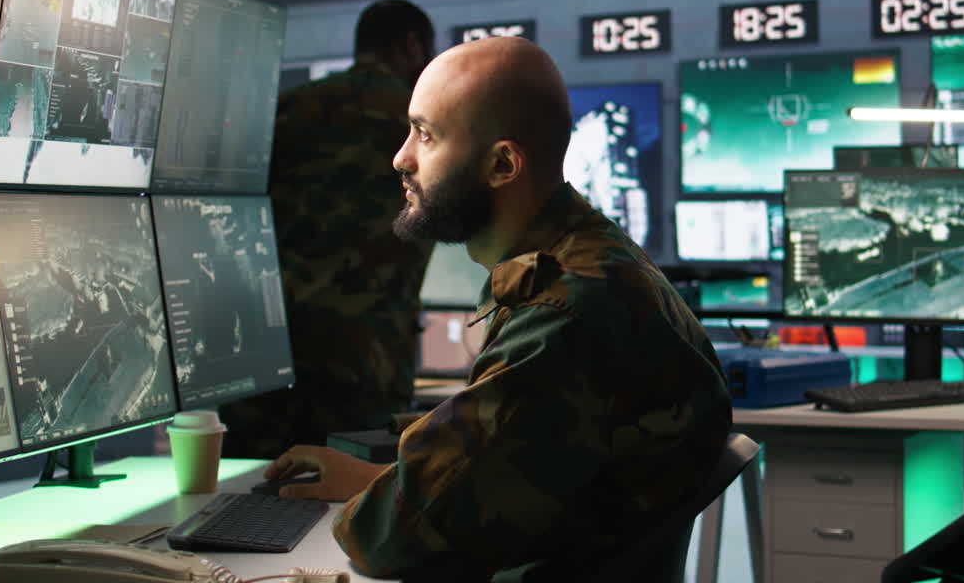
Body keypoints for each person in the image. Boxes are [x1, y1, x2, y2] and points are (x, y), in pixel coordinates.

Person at [262, 37, 732, 581]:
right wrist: (380, 478)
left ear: (503, 164)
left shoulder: (565, 314)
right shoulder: (592, 258)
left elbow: (390, 538)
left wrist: (381, 495)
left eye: (425, 135)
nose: (401, 158)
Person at [219, 0, 437, 459]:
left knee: (247, 489)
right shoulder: (420, 127)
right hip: (364, 359)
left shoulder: (290, 108)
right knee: (353, 492)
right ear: (412, 45)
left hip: (265, 350)